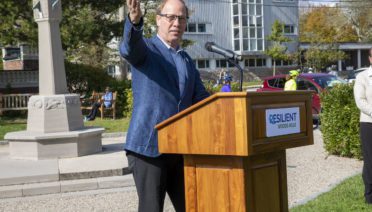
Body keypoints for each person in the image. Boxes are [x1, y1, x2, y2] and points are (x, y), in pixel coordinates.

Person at [119, 0, 210, 211]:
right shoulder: (147, 49)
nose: (176, 23)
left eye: (181, 18)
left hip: (179, 148)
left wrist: (229, 106)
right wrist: (134, 22)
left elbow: (201, 99)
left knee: (194, 206)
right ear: (158, 19)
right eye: (170, 17)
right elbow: (129, 48)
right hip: (149, 148)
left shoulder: (186, 59)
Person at [354, 48, 372, 204]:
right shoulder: (362, 77)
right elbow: (360, 101)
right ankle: (370, 196)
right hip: (369, 123)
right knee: (370, 159)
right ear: (370, 59)